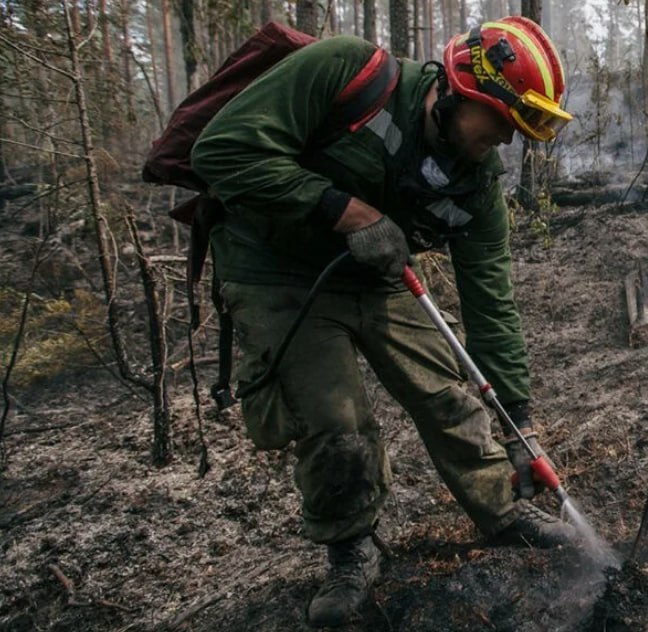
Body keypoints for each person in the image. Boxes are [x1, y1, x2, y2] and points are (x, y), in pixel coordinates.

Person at [191, 17, 576, 628]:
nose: (506, 141)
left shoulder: (476, 183)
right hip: (275, 271)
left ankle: (505, 510)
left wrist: (518, 423)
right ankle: (351, 549)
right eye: (502, 122)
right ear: (460, 89)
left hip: (377, 276)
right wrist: (340, 208)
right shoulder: (348, 72)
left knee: (449, 393)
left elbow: (491, 300)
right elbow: (220, 150)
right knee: (335, 422)